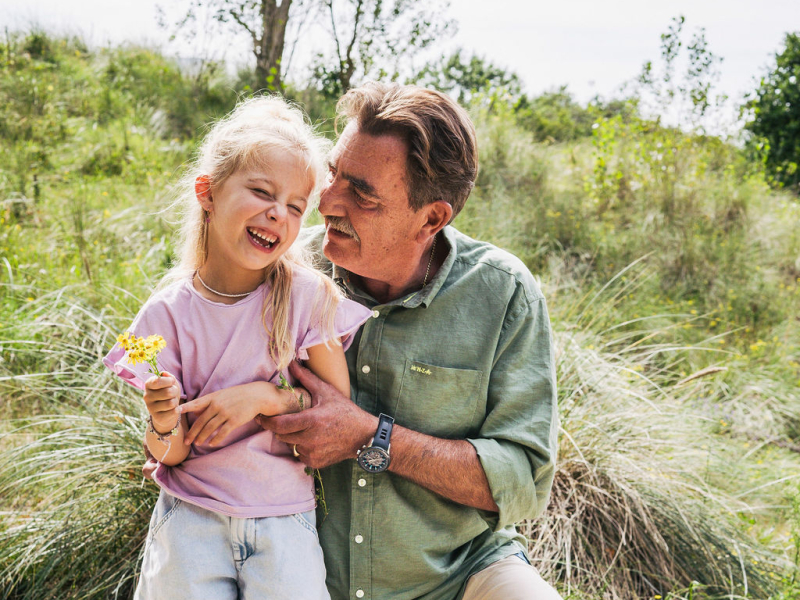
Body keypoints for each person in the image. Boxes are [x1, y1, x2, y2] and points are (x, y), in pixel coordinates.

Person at [259, 83, 562, 600]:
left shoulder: (504, 293)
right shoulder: (286, 270)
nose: (326, 202)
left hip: (461, 576)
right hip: (300, 570)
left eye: (362, 193)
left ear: (432, 218)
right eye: (333, 174)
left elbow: (523, 479)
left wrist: (368, 436)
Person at [104, 96, 372, 599]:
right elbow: (171, 452)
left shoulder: (307, 298)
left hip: (283, 524)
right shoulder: (164, 316)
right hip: (190, 523)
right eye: (261, 192)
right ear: (207, 192)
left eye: (295, 206)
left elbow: (337, 412)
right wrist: (163, 422)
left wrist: (266, 398)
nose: (278, 214)